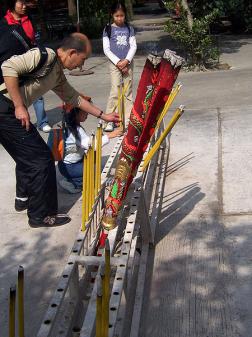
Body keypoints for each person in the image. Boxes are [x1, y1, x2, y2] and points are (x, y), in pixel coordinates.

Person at [0, 33, 120, 227]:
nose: (81, 66)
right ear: (72, 52)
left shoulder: (57, 73)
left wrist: (103, 115)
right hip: (5, 109)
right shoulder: (43, 56)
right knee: (41, 159)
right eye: (81, 60)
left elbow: (75, 99)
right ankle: (41, 216)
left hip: (7, 110)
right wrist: (19, 106)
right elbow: (8, 67)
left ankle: (22, 199)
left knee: (27, 156)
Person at [3, 0, 51, 133]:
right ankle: (15, 126)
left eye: (26, 3)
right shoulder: (4, 22)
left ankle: (42, 121)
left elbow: (34, 40)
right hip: (11, 66)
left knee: (37, 92)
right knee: (10, 97)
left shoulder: (28, 19)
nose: (24, 7)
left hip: (29, 62)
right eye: (21, 3)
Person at [58, 107, 122, 194]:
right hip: (70, 166)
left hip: (65, 165)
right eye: (85, 112)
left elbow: (88, 143)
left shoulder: (68, 126)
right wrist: (110, 135)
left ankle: (72, 177)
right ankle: (73, 183)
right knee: (95, 177)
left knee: (95, 164)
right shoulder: (76, 130)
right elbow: (91, 145)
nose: (87, 114)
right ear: (76, 114)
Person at [103, 1, 137, 132]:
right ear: (112, 15)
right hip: (114, 64)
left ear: (125, 15)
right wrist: (118, 62)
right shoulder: (108, 29)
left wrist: (127, 60)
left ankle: (127, 118)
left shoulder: (129, 28)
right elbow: (106, 49)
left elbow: (133, 46)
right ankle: (110, 120)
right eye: (117, 16)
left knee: (128, 91)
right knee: (115, 90)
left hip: (128, 64)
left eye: (122, 15)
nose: (119, 18)